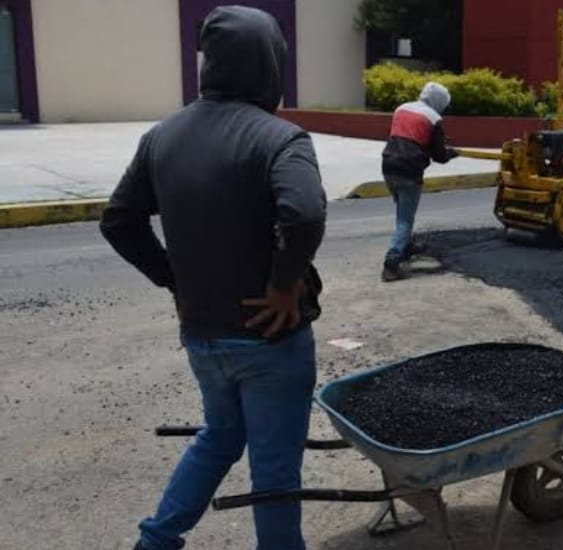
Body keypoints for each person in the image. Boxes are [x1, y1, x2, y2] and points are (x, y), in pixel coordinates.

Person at [99, 6, 326, 550]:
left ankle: (156, 541)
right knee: (275, 473)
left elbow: (119, 221)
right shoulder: (280, 138)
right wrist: (283, 285)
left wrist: (174, 280)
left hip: (202, 334)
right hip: (269, 340)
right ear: (270, 63)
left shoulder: (163, 136)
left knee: (220, 436)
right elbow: (304, 214)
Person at [380, 82, 460, 282]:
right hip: (409, 170)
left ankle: (406, 246)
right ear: (439, 102)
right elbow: (439, 156)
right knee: (405, 219)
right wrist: (452, 153)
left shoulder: (401, 109)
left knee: (402, 211)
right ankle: (392, 262)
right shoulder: (434, 118)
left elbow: (407, 137)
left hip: (388, 165)